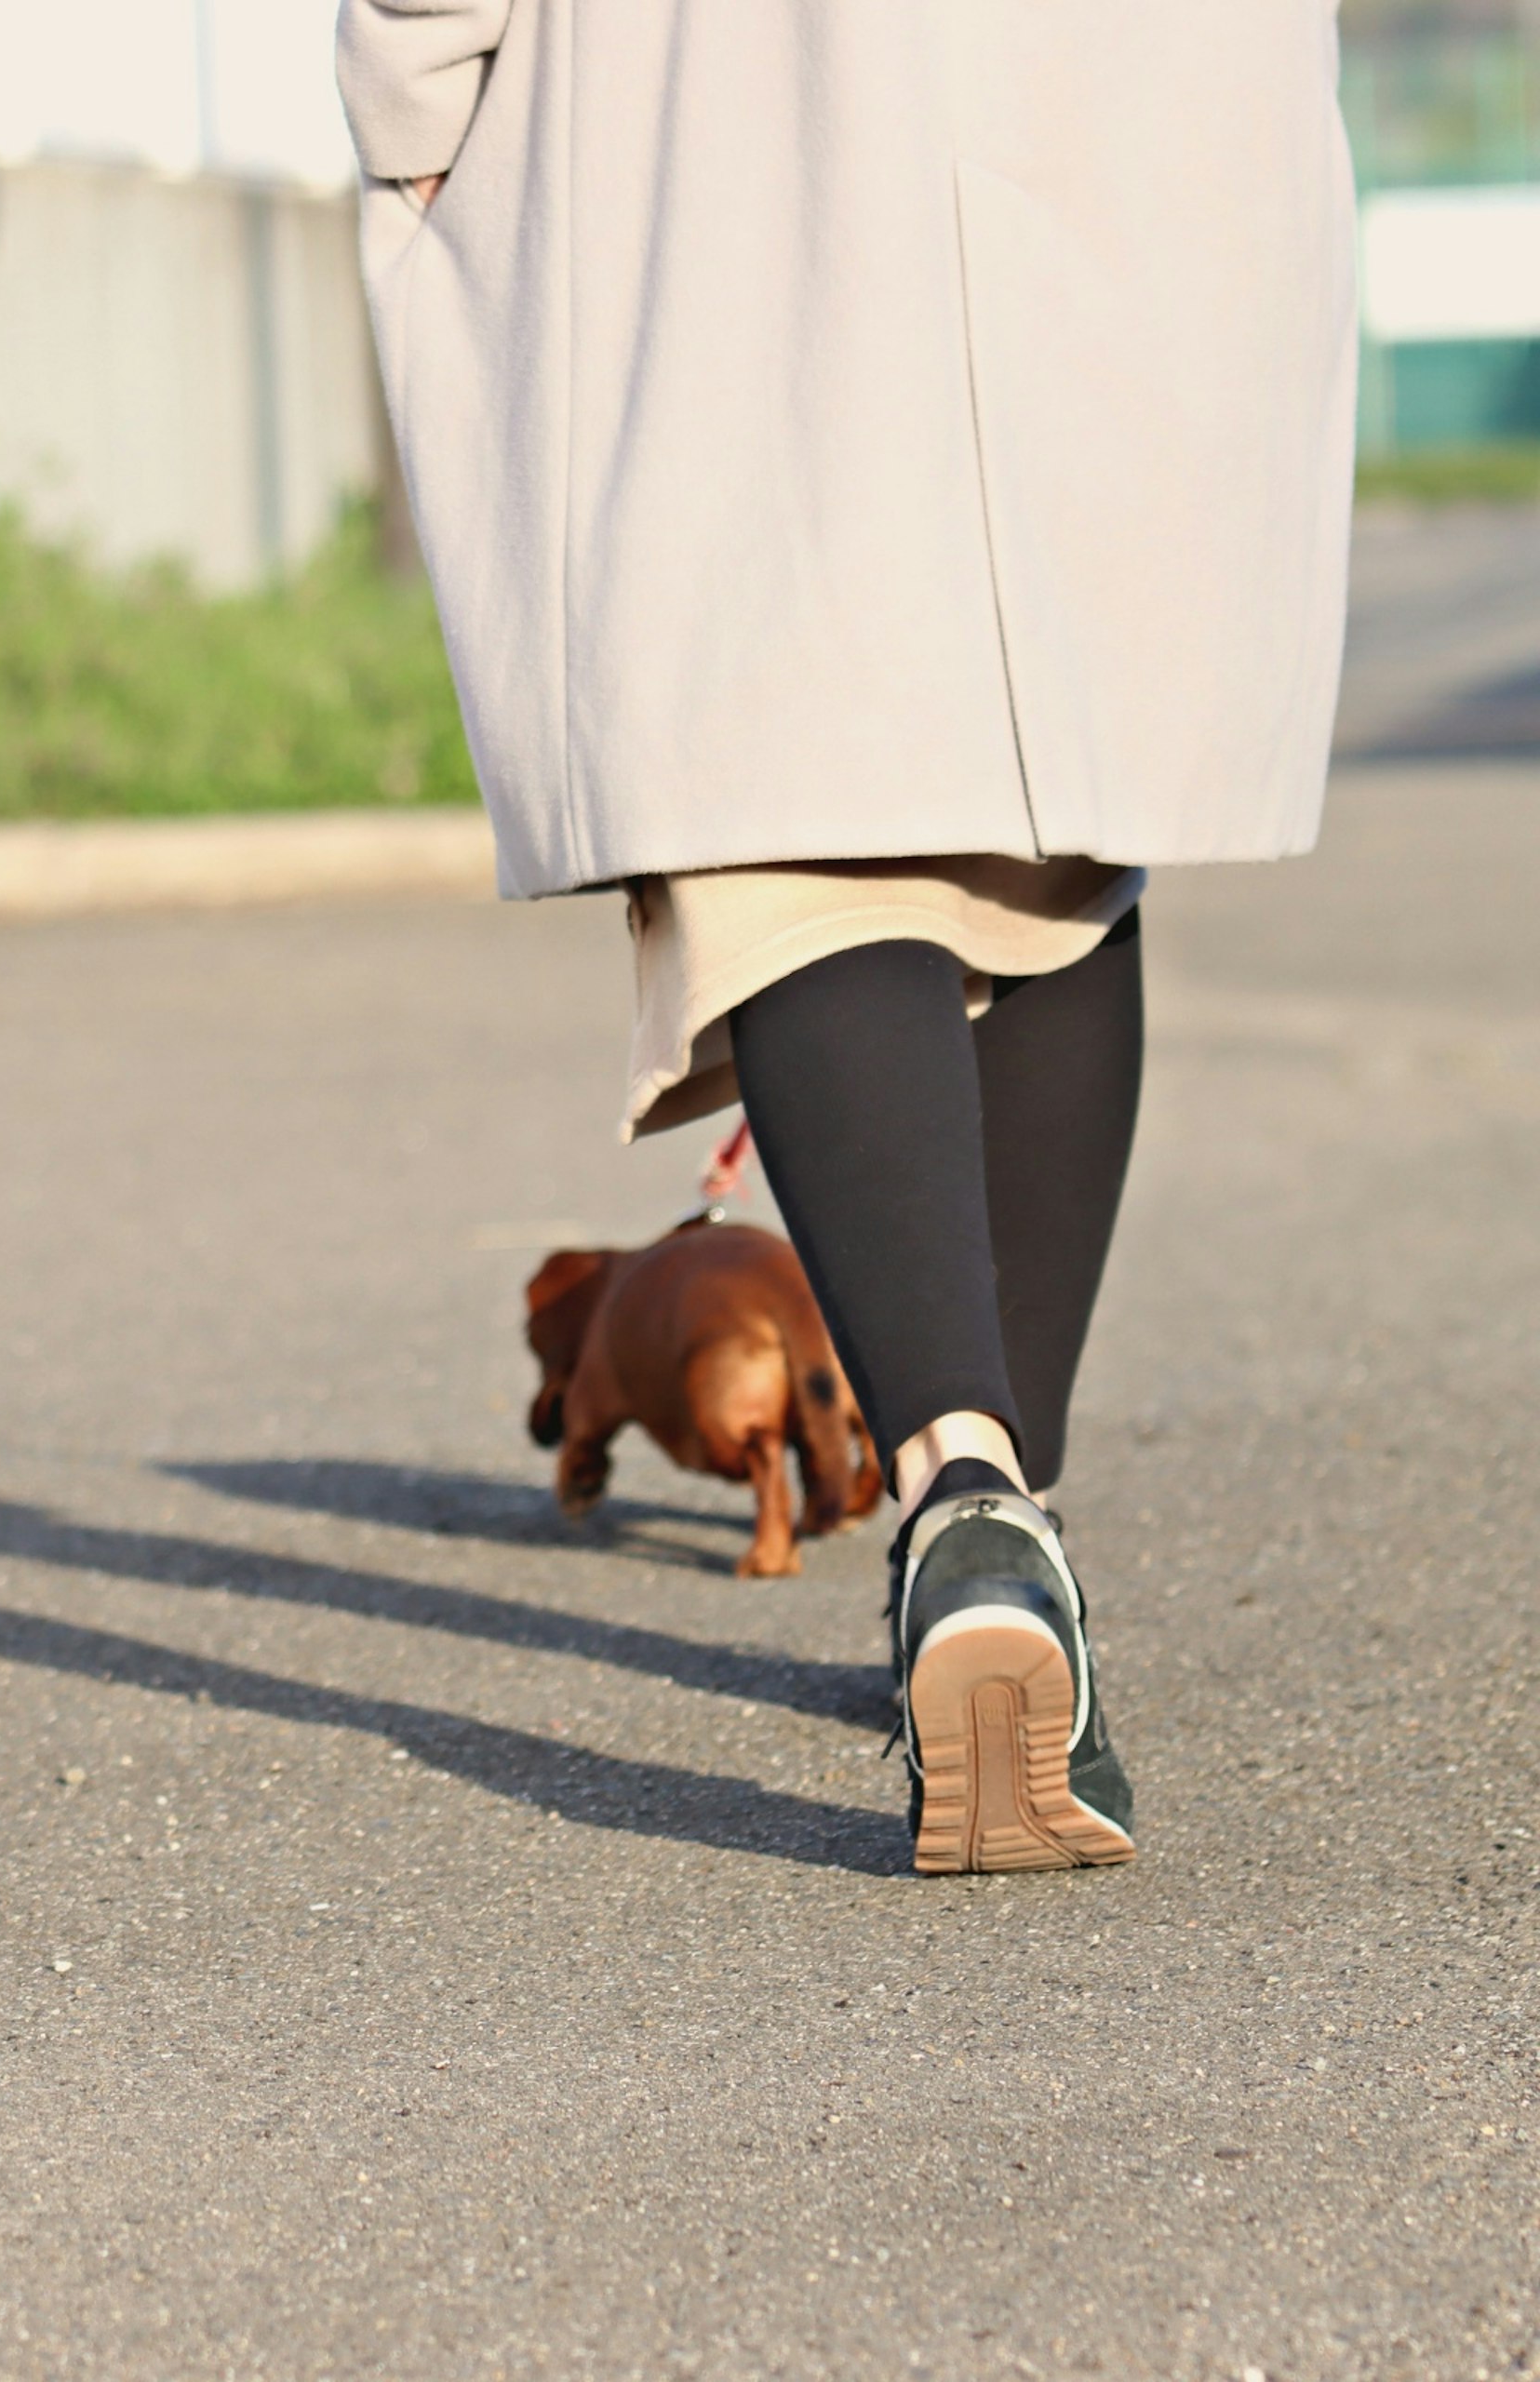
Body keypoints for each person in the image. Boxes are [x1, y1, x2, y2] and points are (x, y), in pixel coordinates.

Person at [335, 4, 1359, 1872]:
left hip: (727, 115)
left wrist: (417, 102)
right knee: (1049, 834)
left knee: (784, 799)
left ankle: (964, 1489)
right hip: (1133, 97)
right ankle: (997, 1534)